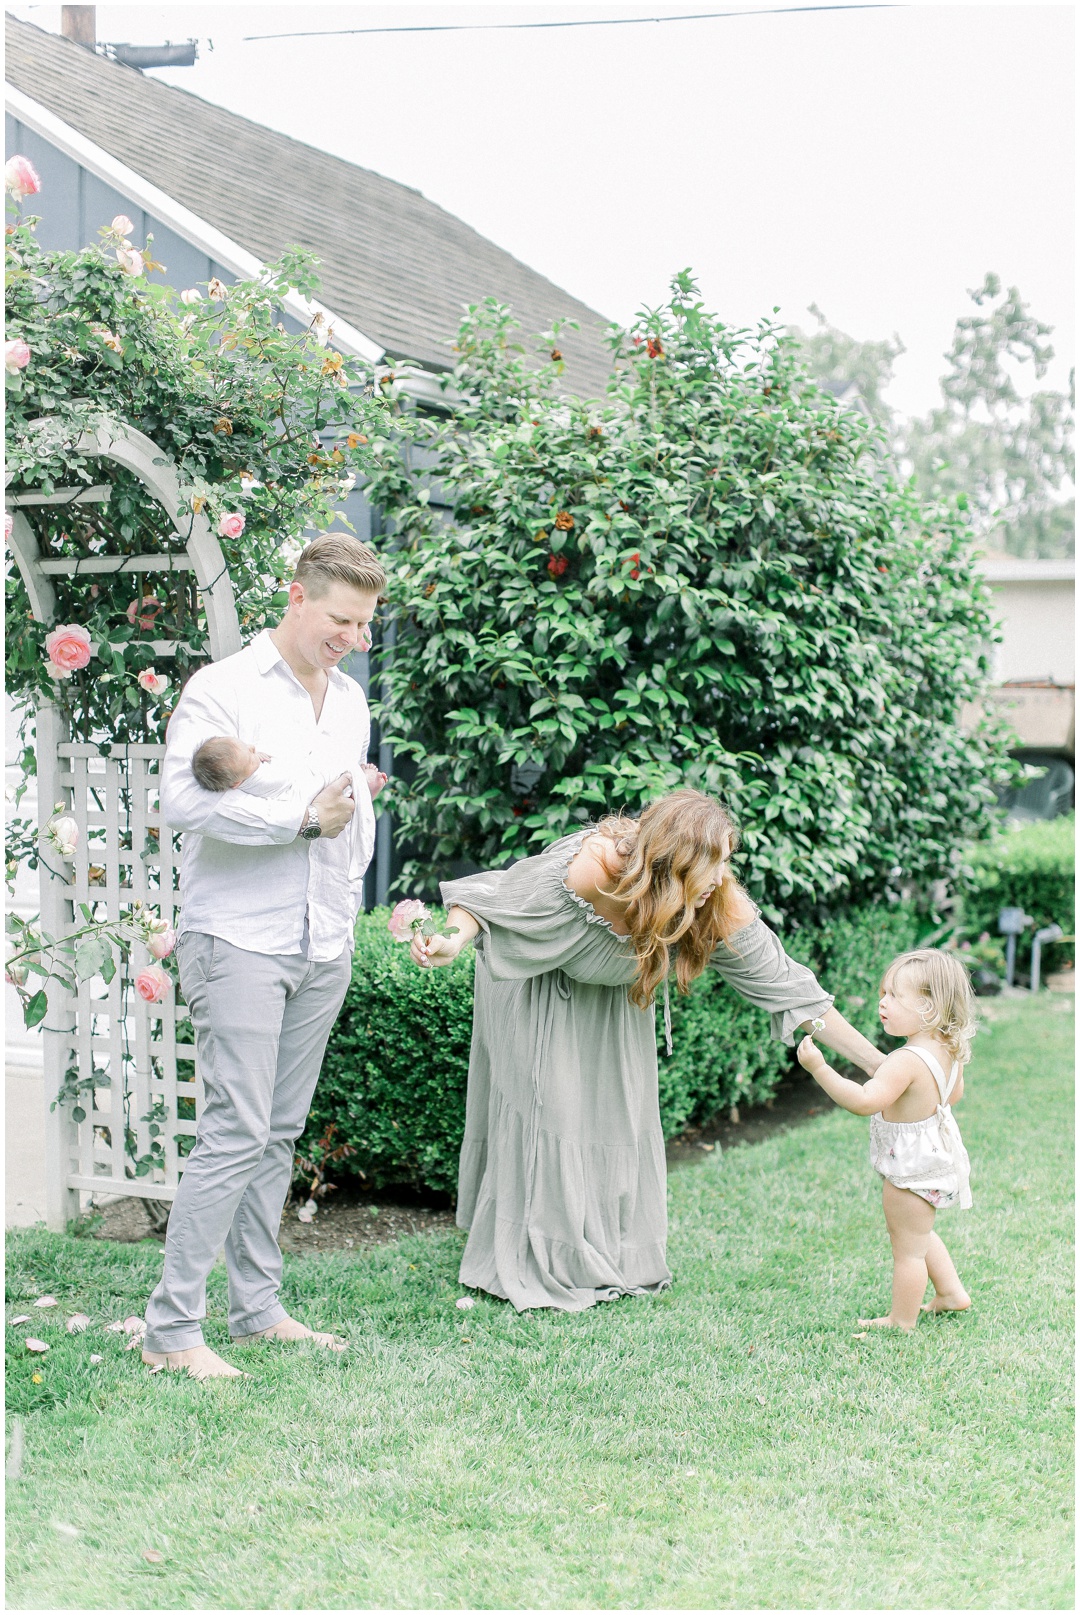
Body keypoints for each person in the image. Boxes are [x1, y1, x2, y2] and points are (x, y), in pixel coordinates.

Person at [410, 788, 885, 1312]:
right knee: (554, 1117)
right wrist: (451, 939)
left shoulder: (715, 901)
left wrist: (880, 1066)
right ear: (672, 864)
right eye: (712, 863)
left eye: (728, 860)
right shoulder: (593, 870)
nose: (723, 877)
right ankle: (541, 1253)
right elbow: (492, 900)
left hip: (614, 1004)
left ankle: (606, 1249)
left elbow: (791, 989)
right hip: (540, 991)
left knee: (617, 1118)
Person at [142, 532, 386, 1380]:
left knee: (277, 1132)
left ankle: (257, 1310)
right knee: (235, 1129)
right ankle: (172, 1330)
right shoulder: (226, 687)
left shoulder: (350, 698)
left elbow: (341, 800)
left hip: (322, 939)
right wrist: (296, 821)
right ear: (295, 595)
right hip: (239, 939)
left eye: (362, 625)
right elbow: (180, 800)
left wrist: (350, 807)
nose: (352, 638)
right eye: (340, 620)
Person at [798, 947, 974, 1330]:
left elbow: (864, 1101)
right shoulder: (948, 1050)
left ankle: (901, 1321)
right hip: (935, 1158)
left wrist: (819, 1068)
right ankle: (951, 1293)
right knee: (919, 1233)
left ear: (929, 1006)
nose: (883, 1002)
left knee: (906, 1249)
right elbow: (953, 1095)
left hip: (908, 1170)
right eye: (884, 993)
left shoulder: (904, 1060)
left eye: (894, 995)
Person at [191, 733, 388, 805]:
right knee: (332, 777)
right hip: (304, 792)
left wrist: (255, 757)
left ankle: (358, 788)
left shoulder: (244, 770)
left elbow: (252, 757)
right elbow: (285, 778)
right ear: (237, 783)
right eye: (251, 756)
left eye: (246, 746)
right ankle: (362, 787)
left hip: (301, 782)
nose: (252, 748)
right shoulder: (258, 782)